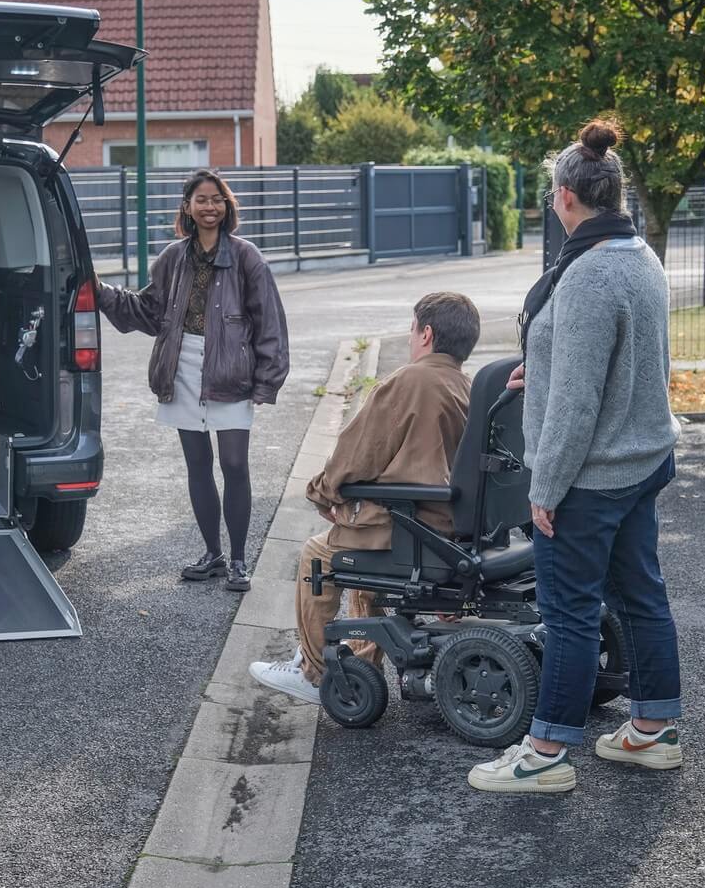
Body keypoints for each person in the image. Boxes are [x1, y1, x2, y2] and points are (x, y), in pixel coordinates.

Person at [468, 118, 683, 794]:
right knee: (642, 597)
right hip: (641, 461)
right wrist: (549, 363)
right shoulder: (639, 257)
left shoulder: (588, 276)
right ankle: (653, 731)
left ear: (564, 198)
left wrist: (545, 489)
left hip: (591, 478)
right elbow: (627, 361)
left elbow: (577, 407)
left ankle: (546, 754)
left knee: (568, 615)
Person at [247, 292, 478, 702]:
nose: (411, 338)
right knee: (364, 544)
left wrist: (323, 492)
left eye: (412, 329)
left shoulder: (410, 380)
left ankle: (314, 671)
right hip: (451, 528)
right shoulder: (469, 385)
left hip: (413, 528)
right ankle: (360, 665)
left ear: (426, 333)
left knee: (318, 553)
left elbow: (358, 452)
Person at [95, 169, 290, 592]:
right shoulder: (172, 258)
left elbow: (269, 322)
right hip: (182, 368)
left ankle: (239, 561)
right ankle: (213, 554)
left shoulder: (246, 256)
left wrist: (265, 381)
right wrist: (98, 290)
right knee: (197, 465)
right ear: (186, 207)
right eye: (201, 199)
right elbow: (148, 312)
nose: (209, 206)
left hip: (230, 371)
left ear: (227, 206)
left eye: (216, 199)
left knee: (235, 464)